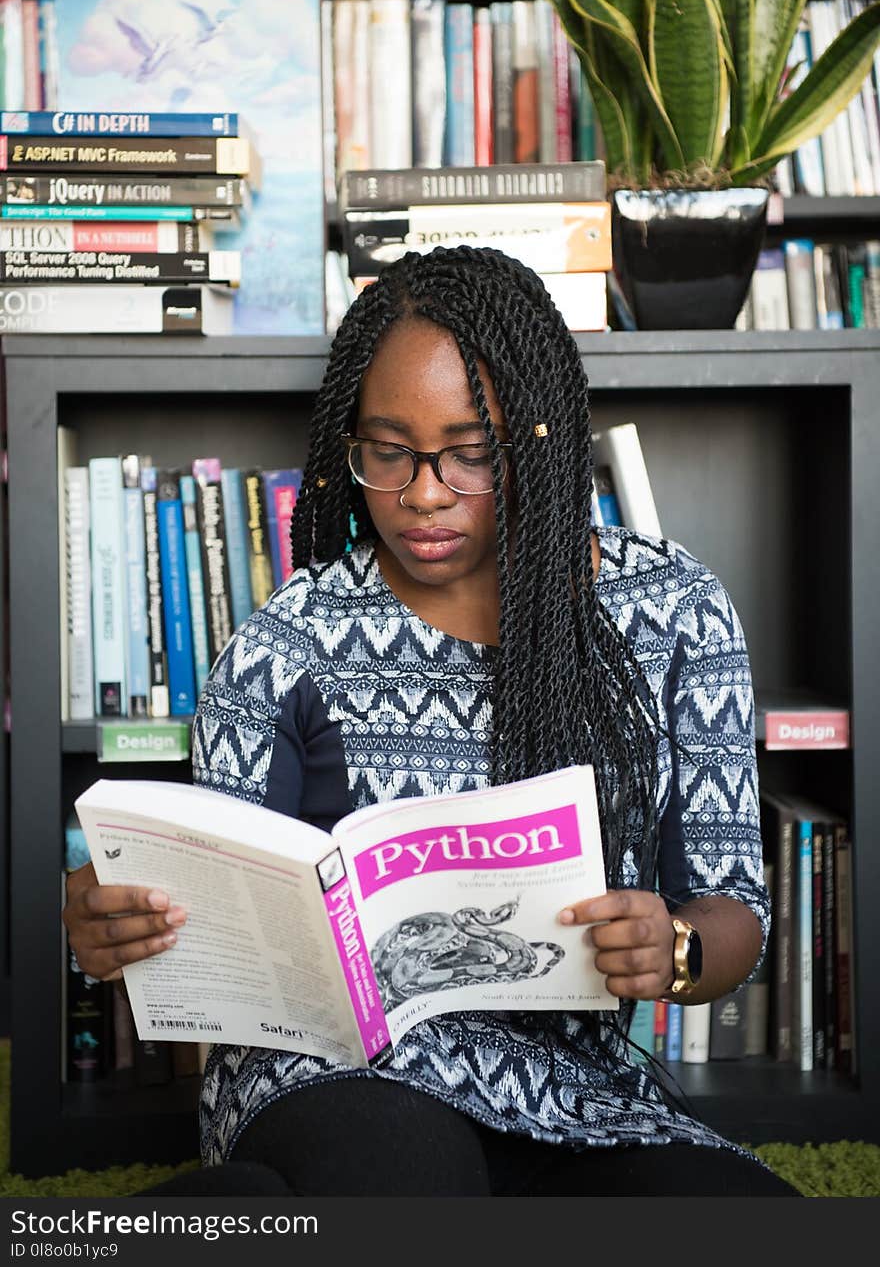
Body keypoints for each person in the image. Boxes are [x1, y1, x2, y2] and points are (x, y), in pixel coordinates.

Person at [63, 245, 797, 1197]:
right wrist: (119, 926)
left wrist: (677, 949)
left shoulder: (676, 611)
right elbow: (213, 923)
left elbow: (734, 908)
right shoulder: (291, 640)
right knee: (408, 1179)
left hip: (577, 1092)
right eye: (388, 450)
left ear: (536, 440)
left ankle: (234, 1223)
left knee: (749, 1219)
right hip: (332, 1079)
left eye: (469, 452)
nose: (422, 492)